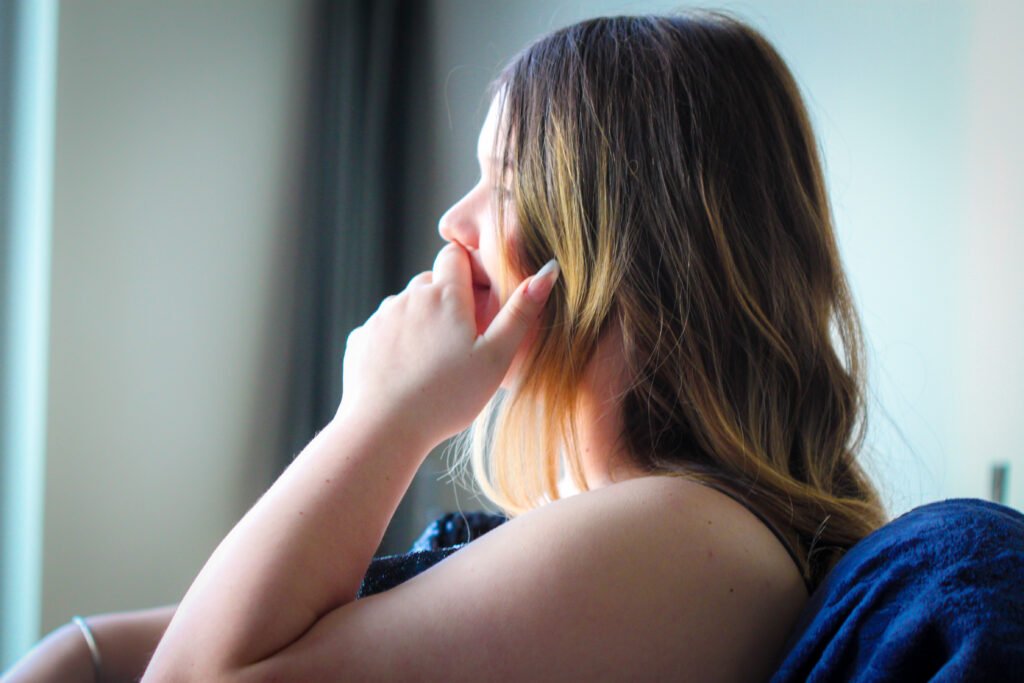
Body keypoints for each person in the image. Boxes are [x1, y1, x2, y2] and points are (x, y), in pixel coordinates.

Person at [4, 11, 886, 681]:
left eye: (502, 182)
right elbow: (145, 647)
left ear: (620, 243)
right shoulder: (665, 531)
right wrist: (70, 655)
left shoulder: (680, 535)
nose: (452, 220)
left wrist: (379, 416)